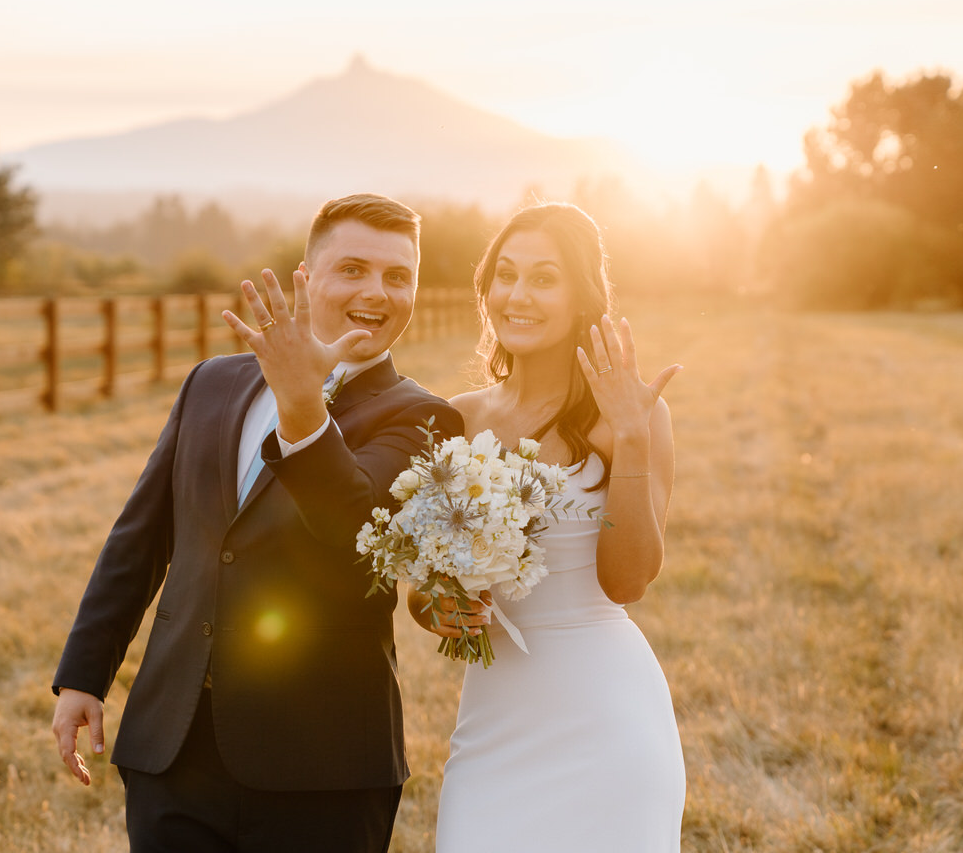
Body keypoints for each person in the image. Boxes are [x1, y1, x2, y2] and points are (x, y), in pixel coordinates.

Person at [52, 194, 463, 853]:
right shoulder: (210, 384)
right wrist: (83, 675)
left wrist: (303, 407)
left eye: (398, 276)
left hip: (323, 770)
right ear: (308, 274)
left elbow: (358, 534)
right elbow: (142, 535)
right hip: (173, 748)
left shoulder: (423, 419)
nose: (378, 293)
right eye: (353, 268)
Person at [412, 201, 687, 851]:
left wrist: (631, 438)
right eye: (506, 275)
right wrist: (444, 607)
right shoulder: (456, 419)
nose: (518, 295)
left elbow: (628, 581)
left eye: (544, 277)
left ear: (581, 295)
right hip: (495, 718)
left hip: (606, 716)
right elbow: (426, 593)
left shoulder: (633, 416)